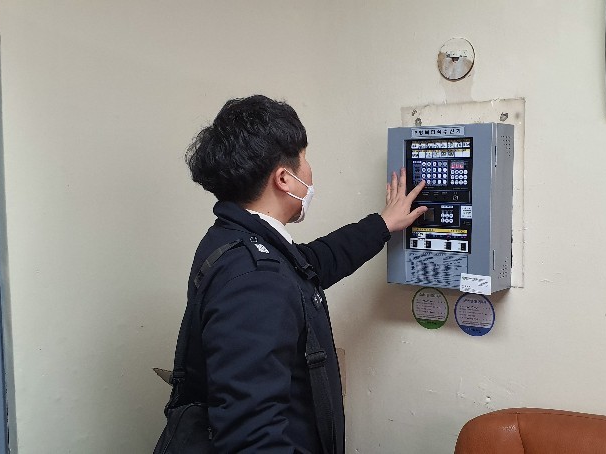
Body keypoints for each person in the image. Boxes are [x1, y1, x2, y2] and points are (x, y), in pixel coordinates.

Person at [180, 95, 426, 453]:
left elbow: (312, 263)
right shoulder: (255, 280)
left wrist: (383, 224)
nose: (309, 171)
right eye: (304, 159)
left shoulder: (238, 241)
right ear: (284, 178)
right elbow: (252, 440)